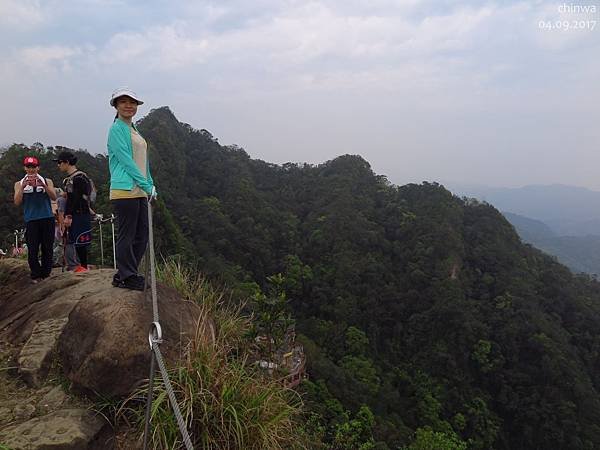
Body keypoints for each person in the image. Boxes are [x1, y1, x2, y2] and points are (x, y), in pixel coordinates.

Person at [107, 87, 156, 290]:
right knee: (127, 234)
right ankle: (126, 275)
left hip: (139, 190)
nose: (129, 106)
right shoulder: (117, 128)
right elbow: (126, 161)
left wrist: (150, 184)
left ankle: (128, 272)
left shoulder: (134, 129)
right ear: (116, 106)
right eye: (123, 102)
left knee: (142, 234)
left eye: (132, 102)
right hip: (125, 189)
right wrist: (145, 184)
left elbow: (143, 162)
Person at [13, 155, 57, 283]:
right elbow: (16, 201)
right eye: (28, 167)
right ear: (25, 168)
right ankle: (36, 273)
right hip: (31, 219)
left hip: (47, 217)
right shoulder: (18, 184)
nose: (31, 170)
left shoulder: (47, 180)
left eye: (33, 167)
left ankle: (46, 272)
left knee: (47, 247)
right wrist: (22, 187)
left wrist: (44, 186)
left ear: (38, 168)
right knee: (32, 248)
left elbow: (54, 197)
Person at [54, 151, 93, 273]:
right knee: (73, 239)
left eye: (60, 162)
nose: (58, 165)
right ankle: (79, 266)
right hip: (76, 213)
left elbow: (76, 198)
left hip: (80, 213)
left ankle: (83, 266)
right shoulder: (71, 179)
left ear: (67, 162)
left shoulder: (79, 178)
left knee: (80, 240)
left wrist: (69, 215)